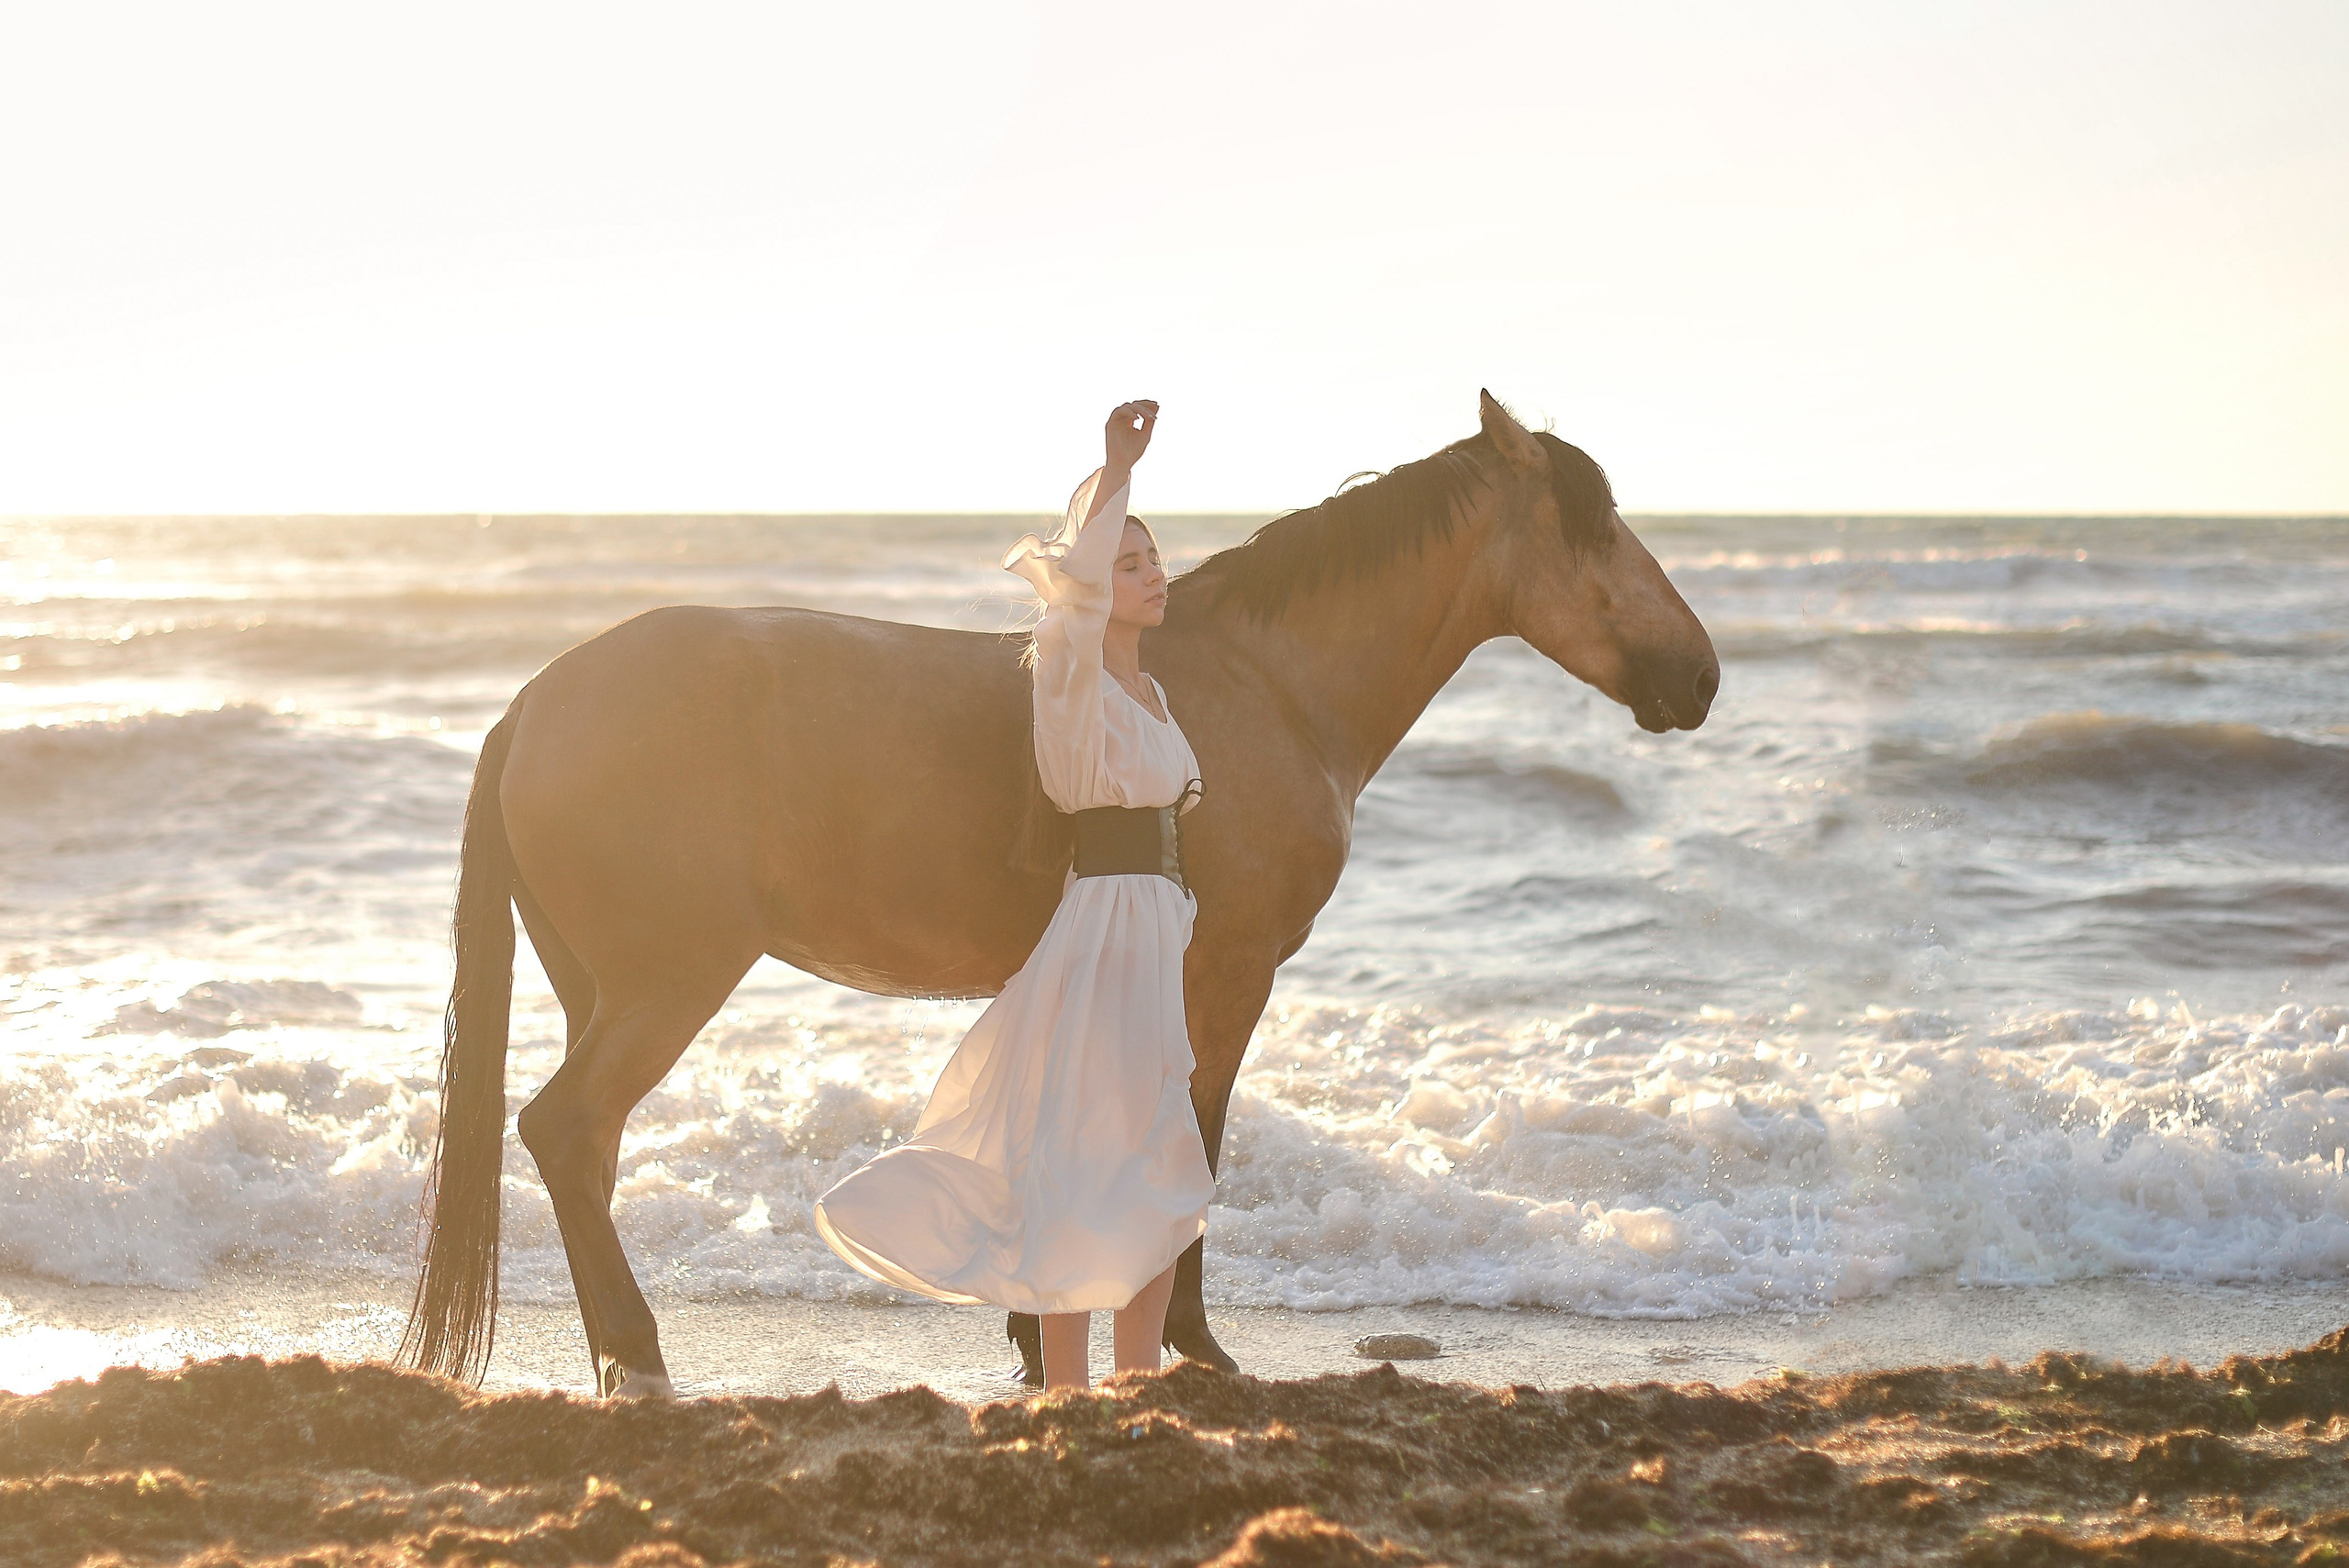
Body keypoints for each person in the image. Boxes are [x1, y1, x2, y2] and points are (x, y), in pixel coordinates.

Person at [813, 399, 1214, 1390]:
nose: (1152, 573)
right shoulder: (1069, 671)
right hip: (1102, 934)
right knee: (1080, 1166)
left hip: (1150, 936)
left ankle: (1133, 1379)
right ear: (1090, 582)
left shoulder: (1154, 695)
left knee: (1161, 1172)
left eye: (1156, 558)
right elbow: (1076, 592)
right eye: (1131, 560)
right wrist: (1116, 469)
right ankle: (1066, 1390)